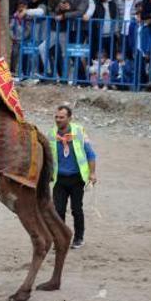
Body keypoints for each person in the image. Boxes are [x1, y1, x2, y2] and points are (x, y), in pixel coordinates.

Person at [49, 105, 97, 249]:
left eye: (62, 117)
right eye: (56, 117)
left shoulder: (79, 132)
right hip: (59, 179)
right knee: (58, 211)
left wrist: (92, 173)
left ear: (69, 118)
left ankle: (78, 238)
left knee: (76, 209)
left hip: (77, 178)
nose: (58, 120)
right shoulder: (52, 134)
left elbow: (91, 154)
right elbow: (48, 157)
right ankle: (60, 239)